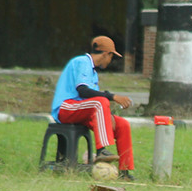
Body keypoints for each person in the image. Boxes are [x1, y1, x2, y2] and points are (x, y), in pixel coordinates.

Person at [51, 35, 136, 180]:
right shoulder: (83, 62)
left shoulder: (93, 72)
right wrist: (112, 96)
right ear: (105, 54)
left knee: (122, 124)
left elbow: (91, 99)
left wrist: (107, 117)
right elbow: (83, 91)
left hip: (83, 110)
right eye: (111, 57)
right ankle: (102, 150)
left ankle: (125, 172)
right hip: (66, 108)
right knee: (100, 101)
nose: (110, 61)